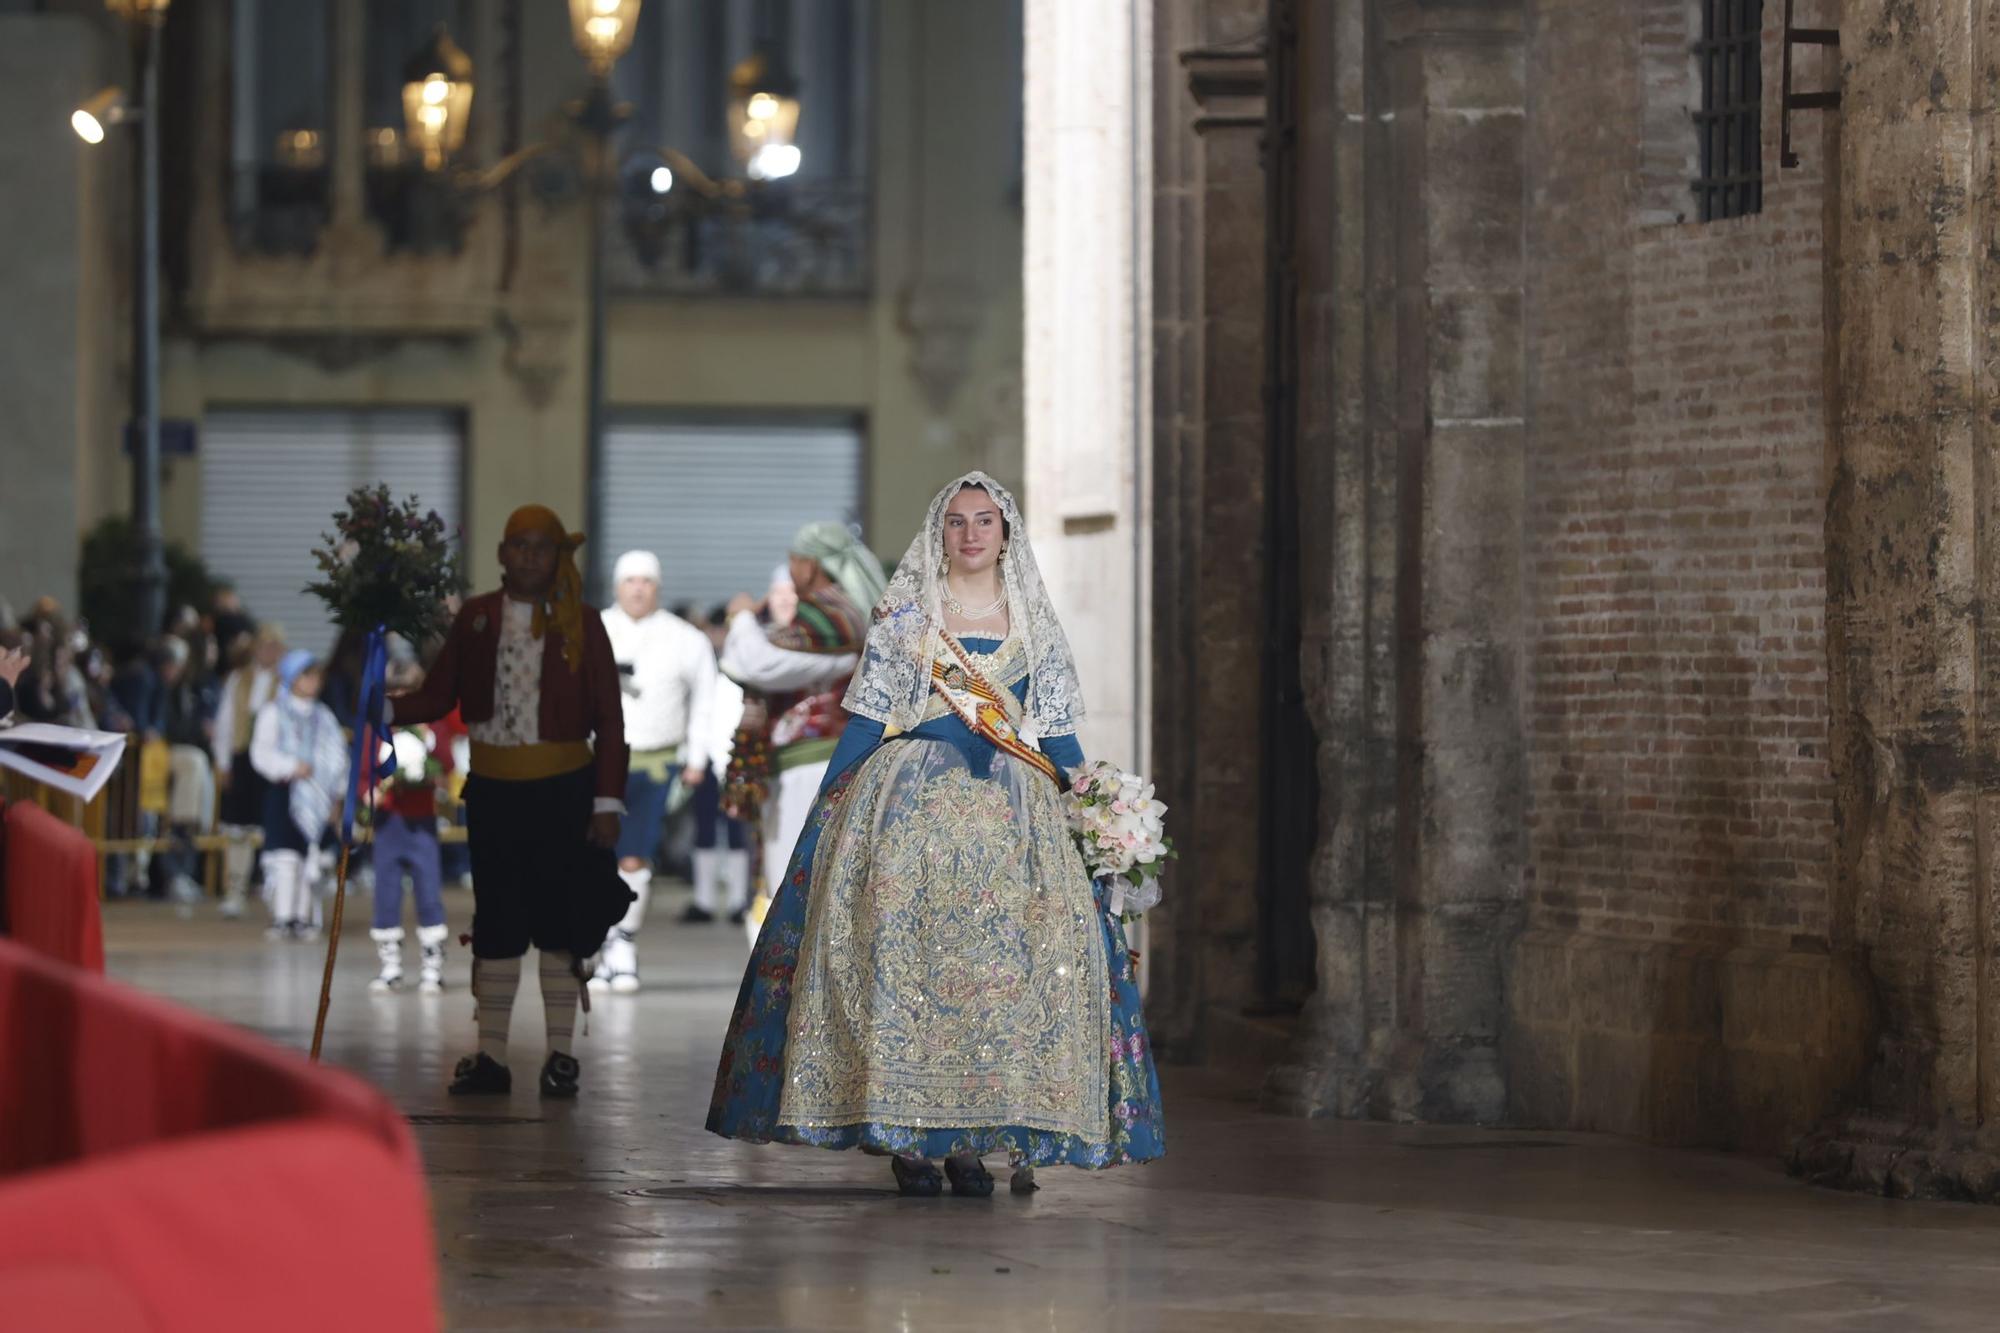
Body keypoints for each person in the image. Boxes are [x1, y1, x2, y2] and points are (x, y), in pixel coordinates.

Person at [706, 473, 1166, 1197]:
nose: (972, 533)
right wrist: (830, 807)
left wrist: (1098, 808)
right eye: (957, 521)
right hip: (909, 813)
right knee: (911, 968)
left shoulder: (1033, 618)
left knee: (998, 982)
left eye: (986, 520)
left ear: (1006, 532)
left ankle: (972, 1141)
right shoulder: (906, 616)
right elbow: (867, 718)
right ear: (939, 532)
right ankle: (911, 1135)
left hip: (1016, 820)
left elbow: (1059, 733)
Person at [387, 504, 631, 1099]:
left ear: (558, 556)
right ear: (500, 554)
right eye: (517, 545)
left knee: (558, 920)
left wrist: (606, 803)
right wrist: (381, 706)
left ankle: (561, 1055)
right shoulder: (476, 619)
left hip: (565, 793)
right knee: (497, 917)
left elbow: (611, 721)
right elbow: (438, 694)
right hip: (494, 794)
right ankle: (490, 1055)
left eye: (540, 546)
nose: (528, 556)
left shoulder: (584, 622)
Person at [719, 526, 884, 945]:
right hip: (814, 765)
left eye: (793, 561)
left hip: (813, 766)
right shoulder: (838, 616)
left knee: (797, 882)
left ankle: (795, 994)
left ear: (809, 565)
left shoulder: (829, 616)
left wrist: (740, 618)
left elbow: (754, 663)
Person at [593, 549, 716, 993]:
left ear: (657, 587)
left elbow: (704, 698)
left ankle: (623, 944)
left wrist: (698, 757)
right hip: (599, 760)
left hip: (658, 759)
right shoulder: (593, 631)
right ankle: (602, 944)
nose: (638, 588)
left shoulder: (684, 638)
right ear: (616, 586)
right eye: (630, 580)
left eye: (646, 580)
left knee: (634, 854)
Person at [249, 650, 348, 942]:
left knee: (310, 858)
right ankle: (282, 916)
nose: (313, 682)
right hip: (285, 793)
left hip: (317, 799)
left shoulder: (324, 716)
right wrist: (291, 767)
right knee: (284, 858)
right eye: (307, 676)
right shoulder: (273, 712)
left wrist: (336, 796)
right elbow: (261, 753)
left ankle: (303, 917)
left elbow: (339, 758)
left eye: (317, 676)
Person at [368, 694, 451, 994]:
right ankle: (390, 965)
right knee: (386, 891)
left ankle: (432, 965)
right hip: (389, 822)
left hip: (422, 821)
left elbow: (446, 762)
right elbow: (364, 769)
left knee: (428, 889)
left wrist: (431, 754)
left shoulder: (432, 726)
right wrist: (368, 793)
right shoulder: (377, 729)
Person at [213, 624, 286, 918]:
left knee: (274, 827)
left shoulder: (285, 682)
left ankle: (276, 892)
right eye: (264, 645)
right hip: (242, 759)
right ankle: (235, 889)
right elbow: (224, 724)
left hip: (271, 761)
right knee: (237, 829)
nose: (268, 652)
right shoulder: (237, 680)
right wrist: (223, 762)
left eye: (274, 647)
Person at [684, 605, 751, 925]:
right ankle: (704, 900)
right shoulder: (700, 664)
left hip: (736, 759)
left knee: (738, 829)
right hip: (706, 759)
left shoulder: (746, 665)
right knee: (705, 828)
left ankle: (739, 900)